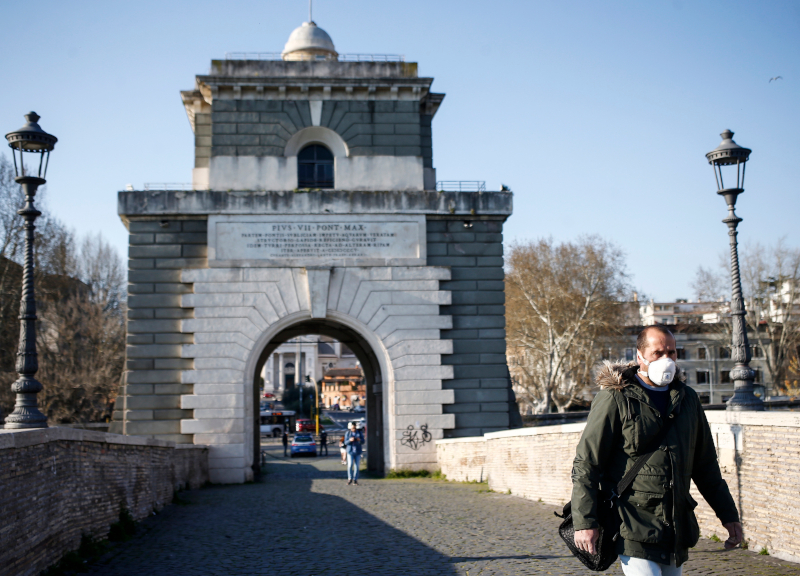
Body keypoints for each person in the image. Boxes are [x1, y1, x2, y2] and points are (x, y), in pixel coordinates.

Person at [571, 325, 743, 576]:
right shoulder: (615, 398)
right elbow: (587, 463)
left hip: (676, 525)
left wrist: (728, 515)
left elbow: (705, 466)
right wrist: (585, 522)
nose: (666, 359)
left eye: (672, 353)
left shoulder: (688, 399)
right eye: (657, 353)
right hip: (632, 523)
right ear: (640, 356)